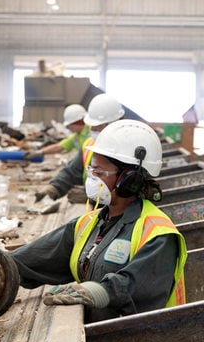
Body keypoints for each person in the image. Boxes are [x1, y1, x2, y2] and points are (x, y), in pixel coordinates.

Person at [11, 120, 187, 321]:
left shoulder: (158, 234)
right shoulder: (88, 224)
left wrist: (94, 292)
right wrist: (0, 265)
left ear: (128, 180)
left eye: (99, 173)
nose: (92, 178)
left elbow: (135, 286)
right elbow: (35, 258)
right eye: (91, 170)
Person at [35, 93, 125, 201]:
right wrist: (54, 187)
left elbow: (129, 189)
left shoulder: (127, 150)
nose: (93, 129)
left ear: (113, 124)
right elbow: (72, 171)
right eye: (92, 125)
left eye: (97, 126)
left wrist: (93, 197)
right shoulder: (89, 144)